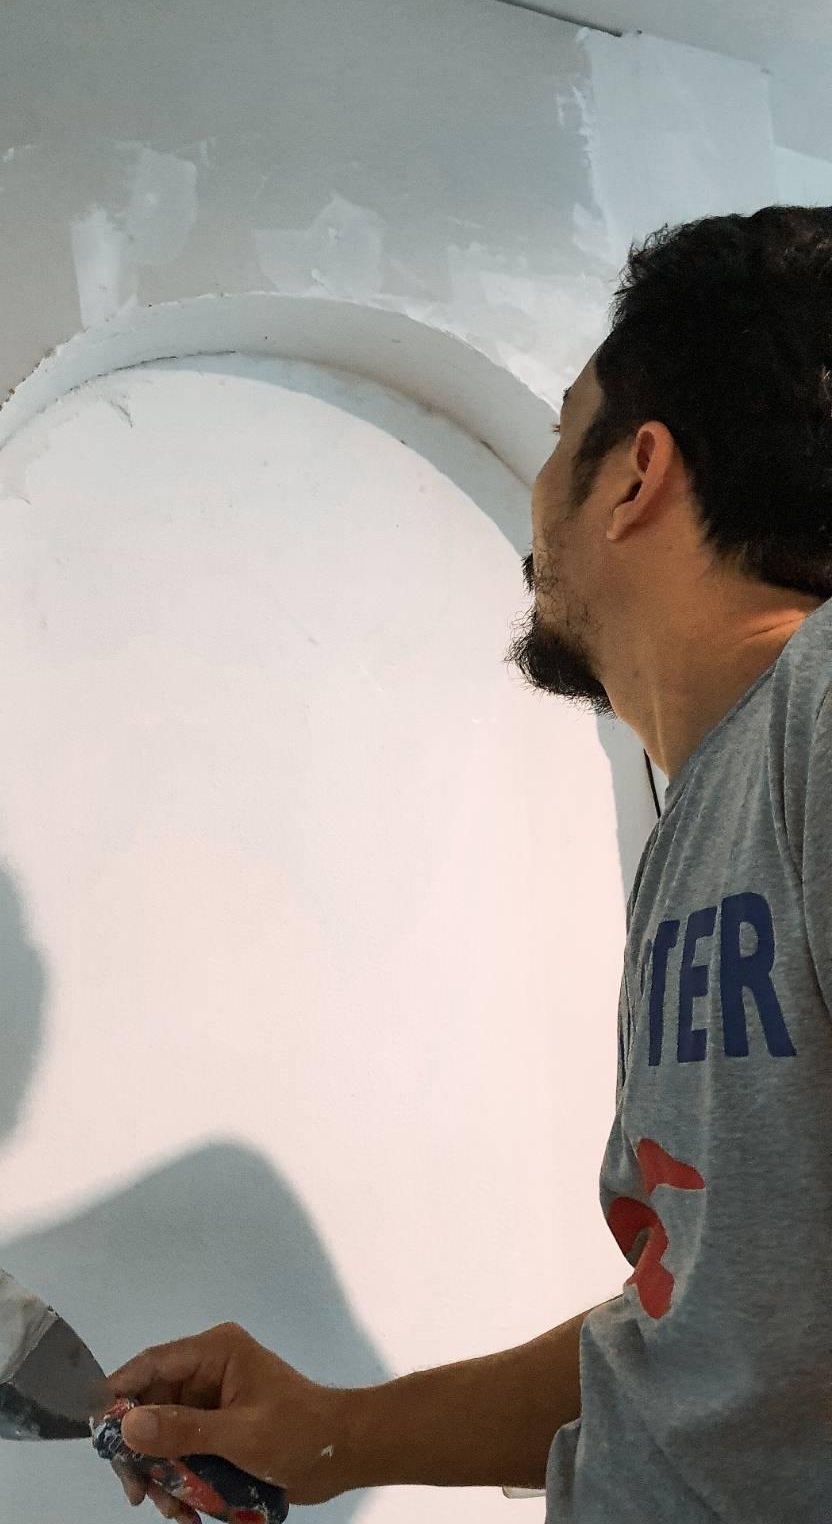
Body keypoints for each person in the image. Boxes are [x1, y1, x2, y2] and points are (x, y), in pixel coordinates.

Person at [102, 206, 832, 1522]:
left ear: (635, 475)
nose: (537, 493)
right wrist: (331, 1435)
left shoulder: (817, 717)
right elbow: (702, 1335)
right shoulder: (712, 810)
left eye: (561, 434)